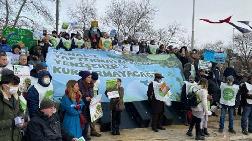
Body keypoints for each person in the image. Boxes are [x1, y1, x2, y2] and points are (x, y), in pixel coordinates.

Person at [0, 69, 25, 141]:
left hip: (16, 136)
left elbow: (22, 110)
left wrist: (21, 118)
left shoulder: (16, 96)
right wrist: (12, 122)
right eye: (13, 85)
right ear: (4, 86)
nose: (16, 88)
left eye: (17, 86)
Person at [78, 70, 93, 140]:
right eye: (89, 77)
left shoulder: (90, 84)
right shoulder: (79, 84)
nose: (90, 79)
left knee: (87, 122)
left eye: (90, 77)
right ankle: (82, 136)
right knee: (82, 122)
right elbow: (77, 97)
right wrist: (84, 99)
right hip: (82, 107)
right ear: (84, 77)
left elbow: (91, 94)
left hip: (89, 106)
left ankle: (85, 135)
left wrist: (93, 99)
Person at [88, 72, 102, 137]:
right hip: (88, 101)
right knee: (88, 117)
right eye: (93, 80)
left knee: (96, 116)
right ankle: (86, 132)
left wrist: (98, 98)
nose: (94, 81)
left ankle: (93, 131)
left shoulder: (97, 82)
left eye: (95, 80)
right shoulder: (87, 82)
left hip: (95, 100)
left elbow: (96, 90)